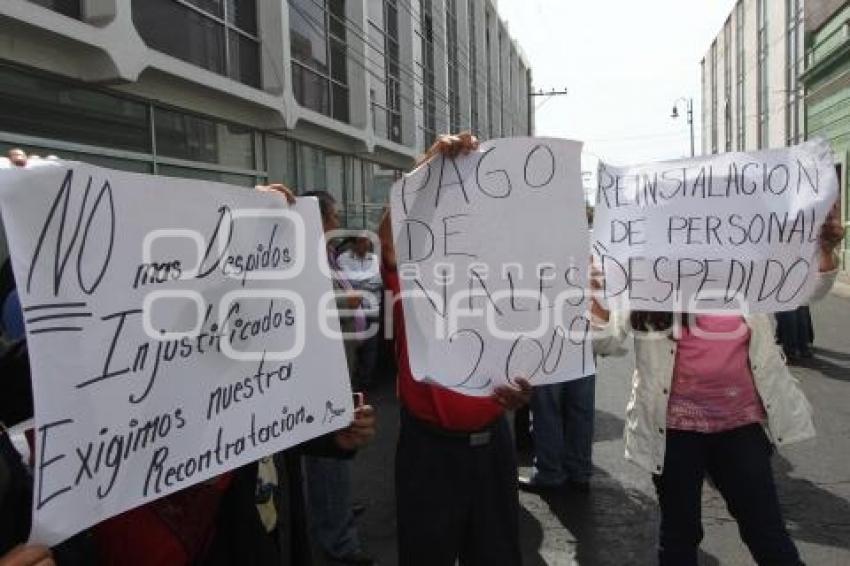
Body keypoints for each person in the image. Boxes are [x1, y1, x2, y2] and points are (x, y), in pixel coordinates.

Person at [590, 212, 845, 565]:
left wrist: (824, 250)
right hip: (674, 433)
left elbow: (807, 291)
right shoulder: (645, 280)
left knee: (766, 531)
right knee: (680, 535)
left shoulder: (746, 272)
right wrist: (597, 296)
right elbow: (602, 343)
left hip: (740, 428)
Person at [378, 132, 532, 566]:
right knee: (427, 555)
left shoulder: (510, 275)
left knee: (498, 554)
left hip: (493, 444)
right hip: (428, 449)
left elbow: (530, 359)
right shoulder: (412, 269)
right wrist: (431, 165)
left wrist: (525, 392)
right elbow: (389, 241)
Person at [298, 190, 374, 566]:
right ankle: (338, 542)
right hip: (323, 375)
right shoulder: (302, 259)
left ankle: (336, 511)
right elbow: (308, 307)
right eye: (332, 217)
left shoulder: (325, 255)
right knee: (329, 456)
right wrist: (351, 301)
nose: (336, 224)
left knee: (337, 453)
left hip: (343, 363)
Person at [519, 373, 596, 494]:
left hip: (549, 355)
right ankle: (579, 471)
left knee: (546, 406)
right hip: (583, 355)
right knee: (580, 406)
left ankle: (549, 473)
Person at [337, 235, 383, 391]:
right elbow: (345, 282)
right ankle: (352, 381)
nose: (366, 244)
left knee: (371, 347)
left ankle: (366, 381)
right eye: (363, 241)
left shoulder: (375, 259)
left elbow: (378, 281)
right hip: (355, 311)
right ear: (355, 243)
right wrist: (365, 283)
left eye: (367, 241)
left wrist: (357, 286)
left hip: (372, 308)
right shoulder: (343, 258)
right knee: (353, 347)